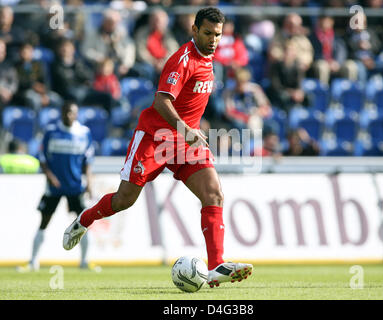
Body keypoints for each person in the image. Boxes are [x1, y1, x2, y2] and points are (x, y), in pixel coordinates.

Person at [63, 7, 253, 288]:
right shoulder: (182, 59)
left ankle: (215, 267)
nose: (213, 40)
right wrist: (185, 128)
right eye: (208, 33)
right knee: (124, 199)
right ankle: (85, 219)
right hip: (154, 137)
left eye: (218, 35)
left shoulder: (210, 59)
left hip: (185, 141)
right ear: (194, 30)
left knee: (214, 193)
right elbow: (162, 101)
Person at [20, 102, 94, 271]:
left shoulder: (84, 133)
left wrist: (89, 183)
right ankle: (33, 261)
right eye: (66, 112)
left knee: (84, 222)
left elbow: (88, 161)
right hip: (54, 187)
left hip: (75, 186)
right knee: (44, 221)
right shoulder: (51, 132)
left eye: (72, 113)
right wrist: (50, 177)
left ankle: (84, 262)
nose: (69, 116)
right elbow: (42, 158)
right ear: (61, 113)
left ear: (76, 114)